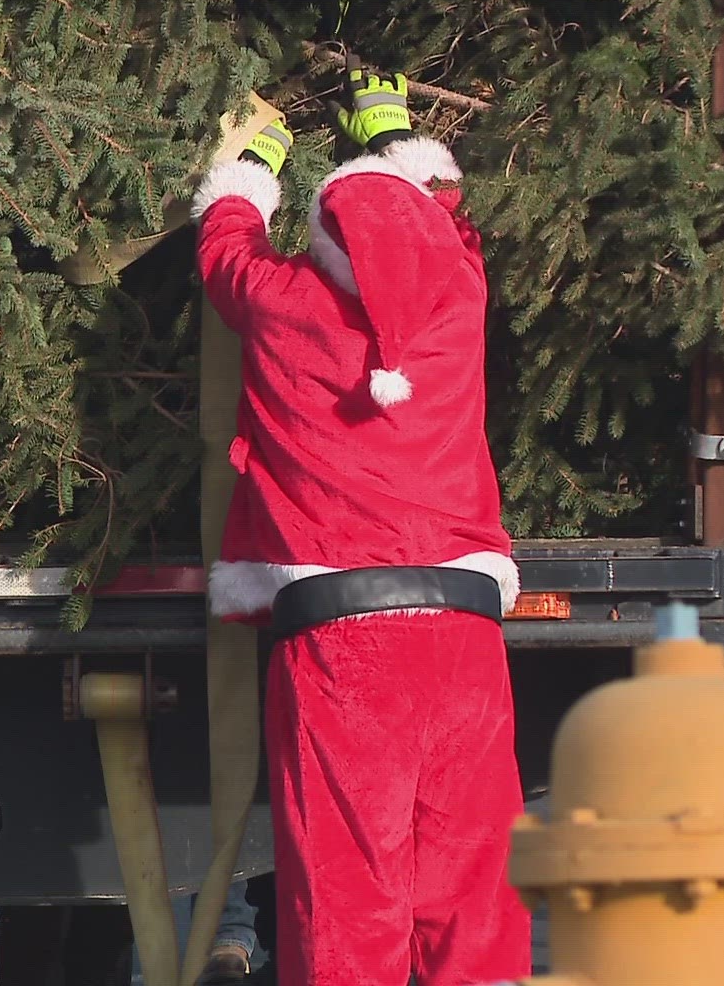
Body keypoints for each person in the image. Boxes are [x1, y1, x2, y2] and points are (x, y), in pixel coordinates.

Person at [186, 65, 532, 985]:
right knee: (472, 884)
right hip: (464, 632)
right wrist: (390, 130)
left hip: (342, 644)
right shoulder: (457, 304)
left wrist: (255, 160)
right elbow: (450, 222)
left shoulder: (288, 308)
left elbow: (226, 250)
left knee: (346, 887)